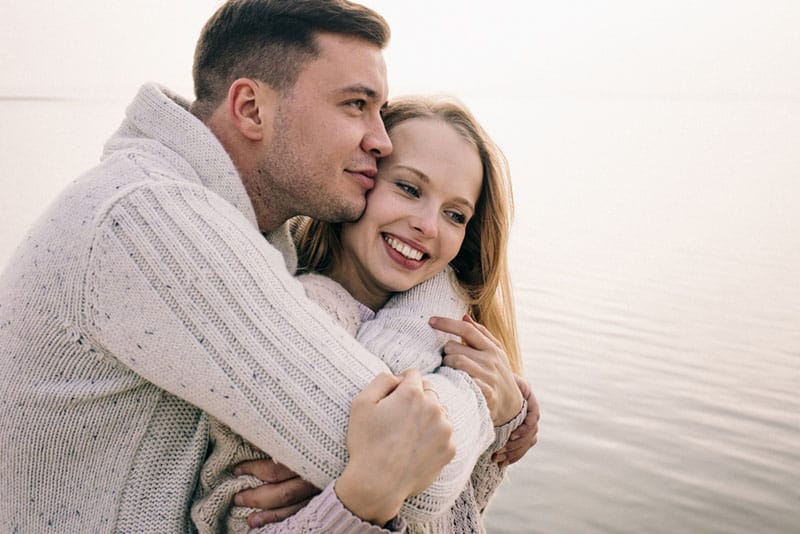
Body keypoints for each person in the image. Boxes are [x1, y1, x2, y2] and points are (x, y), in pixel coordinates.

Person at [0, 1, 536, 532]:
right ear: (252, 109)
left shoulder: (246, 234)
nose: (380, 139)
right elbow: (422, 473)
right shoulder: (153, 222)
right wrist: (486, 399)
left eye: (379, 109)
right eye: (355, 104)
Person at [191, 96, 533, 533]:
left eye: (454, 214)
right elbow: (236, 517)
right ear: (360, 179)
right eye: (409, 188)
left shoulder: (449, 328)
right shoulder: (288, 323)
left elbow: (461, 516)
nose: (428, 225)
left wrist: (506, 420)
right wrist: (354, 500)